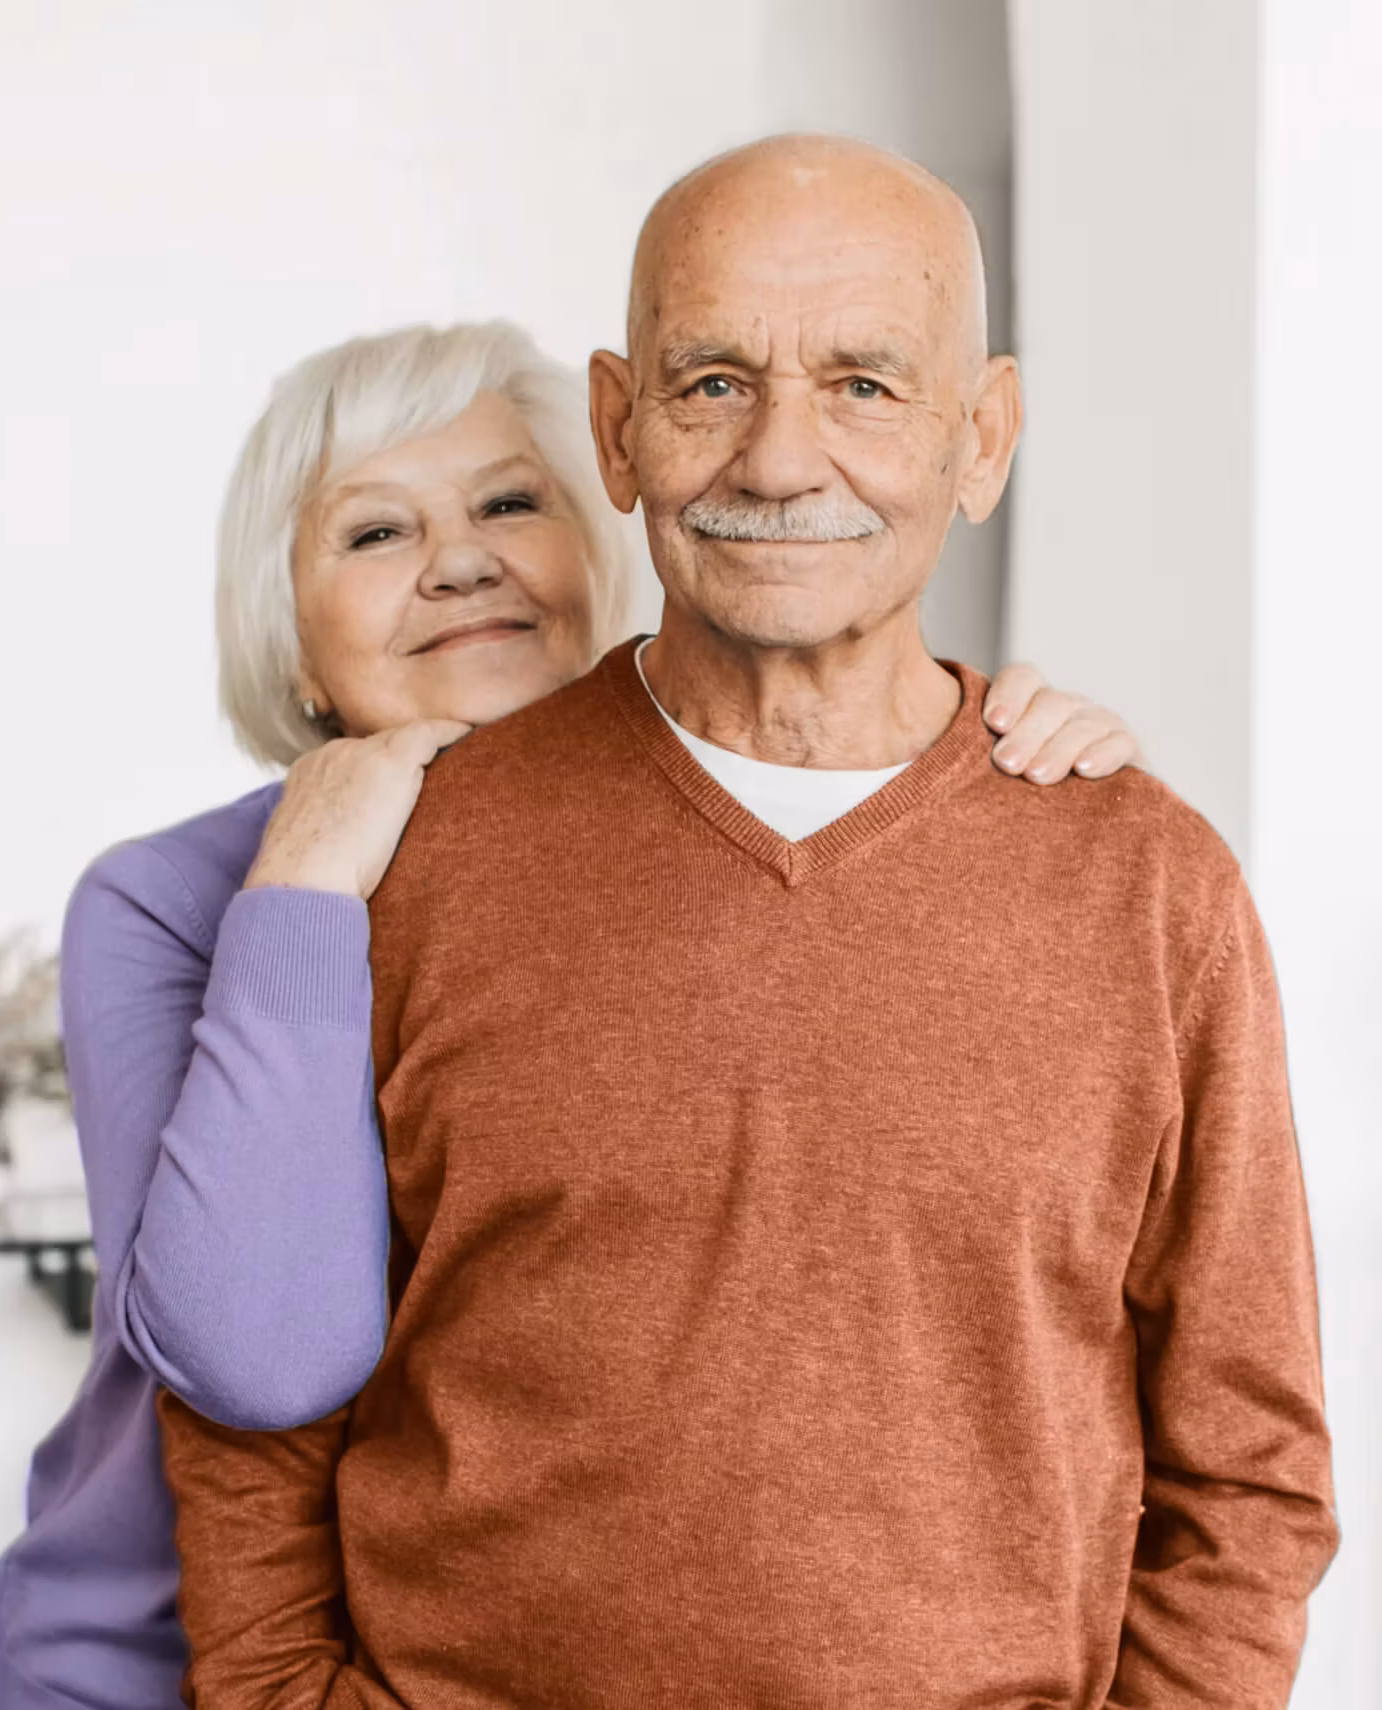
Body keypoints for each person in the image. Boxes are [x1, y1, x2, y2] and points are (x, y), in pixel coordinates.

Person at [156, 134, 1337, 1706]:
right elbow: (252, 1401)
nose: (780, 461)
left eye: (865, 385)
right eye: (712, 381)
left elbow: (1249, 1462)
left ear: (983, 440)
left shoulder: (1148, 881)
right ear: (617, 425)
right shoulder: (403, 857)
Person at [0, 323, 1144, 1706]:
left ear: (602, 553)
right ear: (290, 639)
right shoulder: (164, 901)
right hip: (162, 1651)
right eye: (373, 532)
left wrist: (969, 754)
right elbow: (261, 1350)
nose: (460, 558)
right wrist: (299, 890)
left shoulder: (721, 846)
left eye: (507, 502)